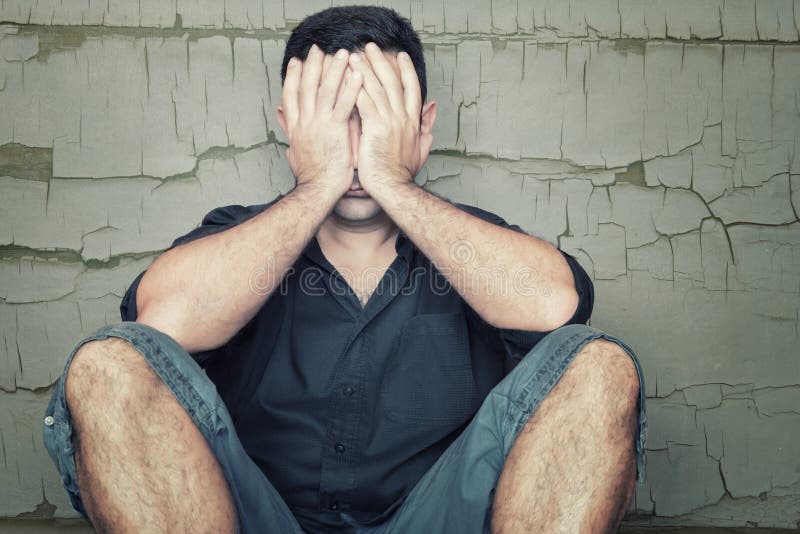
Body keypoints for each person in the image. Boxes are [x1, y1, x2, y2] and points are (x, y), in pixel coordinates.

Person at [44, 5, 647, 533]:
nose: (355, 146)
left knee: (602, 367)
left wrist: (390, 179)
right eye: (335, 121)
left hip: (441, 521)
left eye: (375, 119)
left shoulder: (473, 243)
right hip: (257, 519)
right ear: (291, 127)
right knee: (108, 366)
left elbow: (557, 309)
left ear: (422, 126)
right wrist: (320, 181)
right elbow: (156, 328)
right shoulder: (235, 236)